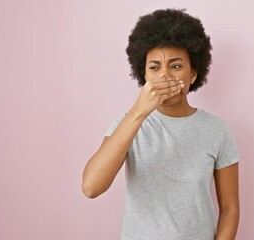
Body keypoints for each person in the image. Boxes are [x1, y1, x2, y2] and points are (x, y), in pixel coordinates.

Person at [82, 8, 241, 240]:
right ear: (144, 75)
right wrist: (139, 111)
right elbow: (91, 187)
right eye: (154, 68)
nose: (164, 76)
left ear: (193, 74)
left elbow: (230, 208)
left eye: (175, 66)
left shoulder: (216, 130)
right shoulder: (128, 123)